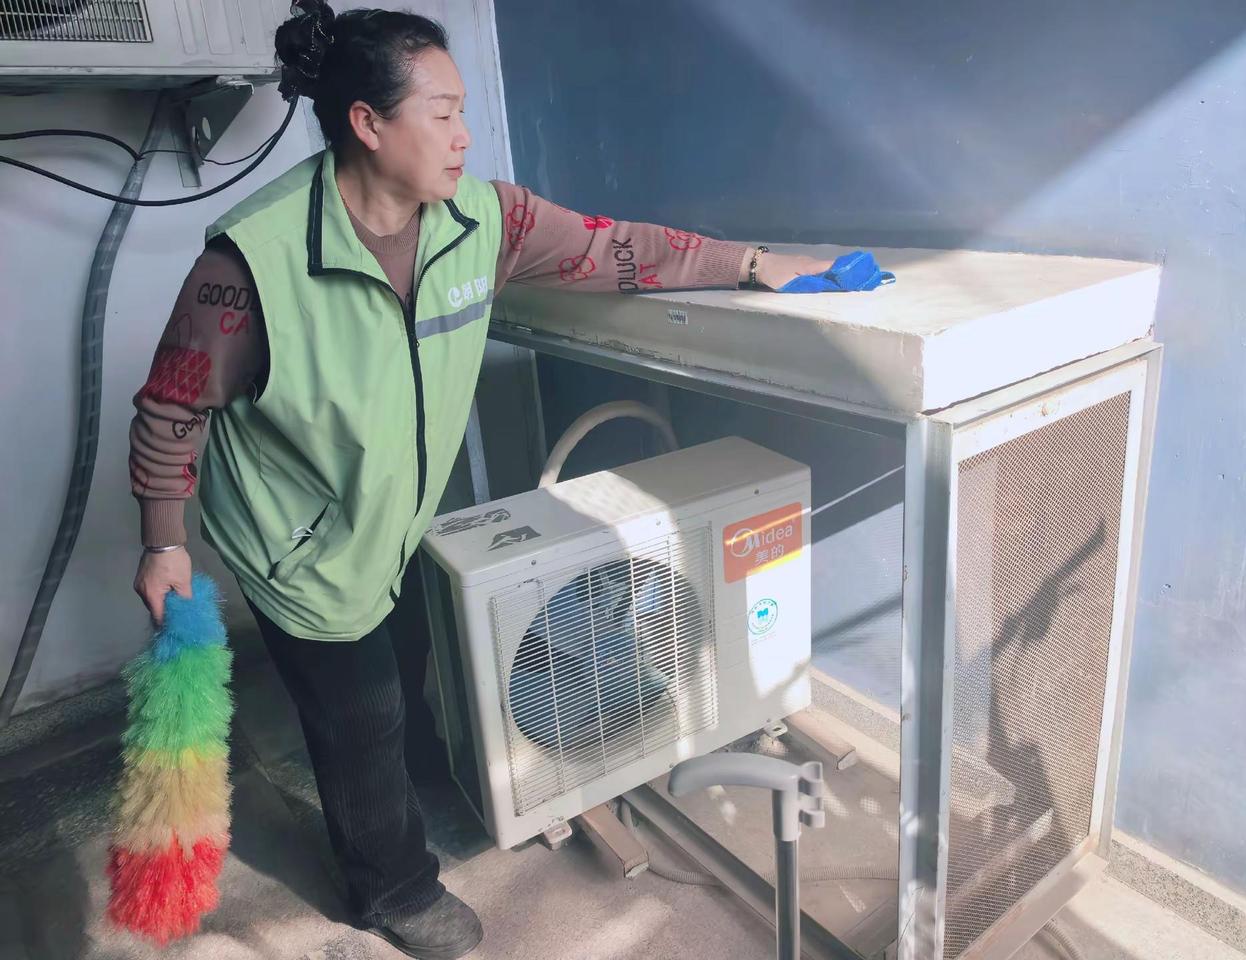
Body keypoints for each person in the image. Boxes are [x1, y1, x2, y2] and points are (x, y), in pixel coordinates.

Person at [127, 3, 831, 958]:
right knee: (357, 714)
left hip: (394, 513)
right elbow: (172, 405)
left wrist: (751, 264)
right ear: (368, 124)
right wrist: (164, 543)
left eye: (465, 112)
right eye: (444, 113)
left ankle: (415, 765)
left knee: (407, 653)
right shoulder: (249, 263)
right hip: (298, 540)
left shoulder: (483, 222)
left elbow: (615, 247)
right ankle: (390, 886)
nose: (465, 136)